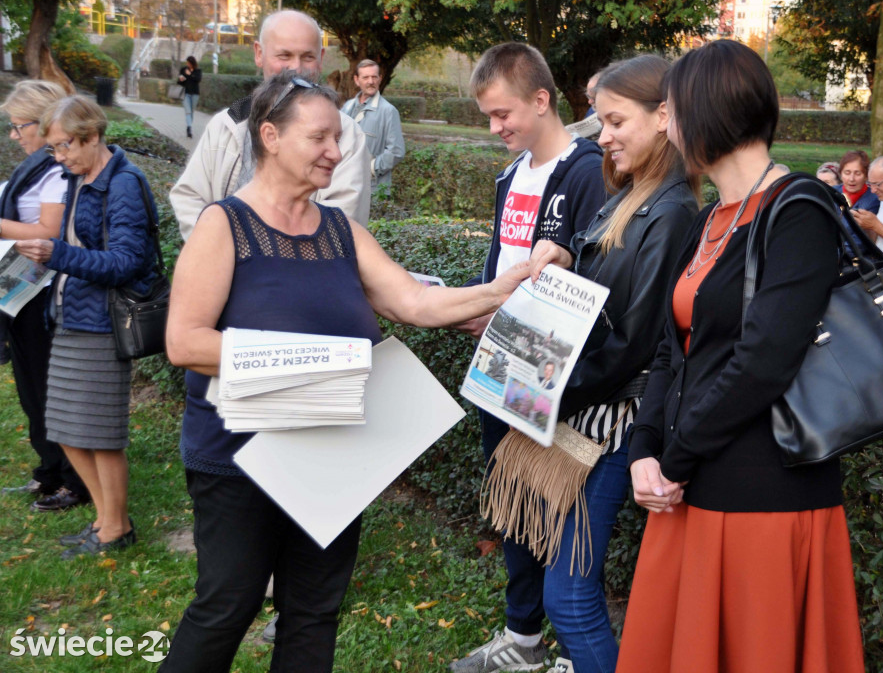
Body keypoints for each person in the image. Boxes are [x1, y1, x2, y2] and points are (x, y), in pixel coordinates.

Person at [159, 71, 530, 673]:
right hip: (237, 458)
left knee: (314, 609)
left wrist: (502, 288)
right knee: (228, 603)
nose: (337, 150)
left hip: (333, 455)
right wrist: (306, 358)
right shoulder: (222, 226)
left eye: (341, 137)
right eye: (321, 137)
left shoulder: (340, 230)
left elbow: (414, 303)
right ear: (271, 136)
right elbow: (185, 342)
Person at [617, 40, 864, 673]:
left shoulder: (797, 208)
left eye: (671, 110)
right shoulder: (710, 219)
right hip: (690, 481)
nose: (666, 125)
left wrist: (672, 459)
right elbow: (672, 352)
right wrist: (644, 448)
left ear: (706, 112)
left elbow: (764, 360)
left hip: (763, 494)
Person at [511, 54, 699, 673]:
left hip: (612, 425)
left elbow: (637, 345)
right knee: (566, 590)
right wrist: (566, 257)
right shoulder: (635, 194)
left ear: (665, 117)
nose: (604, 135)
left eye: (616, 120)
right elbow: (604, 295)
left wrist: (542, 392)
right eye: (599, 120)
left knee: (568, 597)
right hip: (593, 412)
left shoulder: (670, 211)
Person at [449, 42, 606, 673]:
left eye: (502, 113)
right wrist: (485, 312)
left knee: (561, 514)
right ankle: (522, 637)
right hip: (501, 366)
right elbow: (504, 267)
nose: (495, 129)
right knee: (511, 499)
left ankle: (572, 647)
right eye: (488, 117)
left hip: (558, 380)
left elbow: (596, 284)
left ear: (542, 100)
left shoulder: (589, 170)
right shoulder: (511, 176)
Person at [15, 96, 159, 559]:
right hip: (73, 316)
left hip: (102, 324)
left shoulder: (124, 184)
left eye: (63, 147)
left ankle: (115, 528)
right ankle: (104, 518)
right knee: (65, 426)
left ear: (93, 136)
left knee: (98, 432)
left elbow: (125, 262)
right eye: (55, 148)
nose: (58, 158)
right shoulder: (80, 177)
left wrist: (55, 254)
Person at [170, 9, 371, 240]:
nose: (296, 68)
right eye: (284, 56)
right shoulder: (227, 124)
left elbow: (339, 224)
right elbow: (189, 196)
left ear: (322, 58)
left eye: (308, 57)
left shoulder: (346, 135)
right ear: (258, 53)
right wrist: (216, 252)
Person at [0, 80, 90, 512]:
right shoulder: (33, 166)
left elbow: (48, 232)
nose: (14, 136)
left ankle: (71, 480)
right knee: (30, 388)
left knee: (49, 387)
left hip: (44, 291)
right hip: (21, 289)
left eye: (19, 126)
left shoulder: (55, 168)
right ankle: (49, 469)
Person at [341, 59, 405, 195]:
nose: (371, 81)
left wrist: (370, 168)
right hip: (344, 184)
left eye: (374, 77)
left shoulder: (388, 111)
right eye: (365, 77)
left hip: (372, 189)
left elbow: (396, 151)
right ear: (357, 80)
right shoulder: (347, 106)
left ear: (380, 79)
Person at [177, 55, 202, 139]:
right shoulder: (183, 70)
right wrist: (181, 79)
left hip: (195, 94)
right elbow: (179, 82)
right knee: (188, 111)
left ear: (193, 63)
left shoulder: (198, 71)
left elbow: (198, 79)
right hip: (186, 93)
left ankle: (189, 125)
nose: (188, 64)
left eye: (189, 63)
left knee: (191, 111)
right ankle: (189, 128)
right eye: (187, 63)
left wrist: (190, 74)